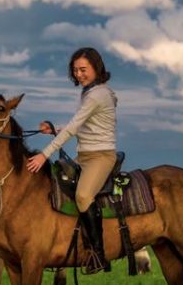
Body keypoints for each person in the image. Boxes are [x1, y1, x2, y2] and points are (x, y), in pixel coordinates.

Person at [26, 47, 117, 273]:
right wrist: (54, 129)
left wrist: (43, 154)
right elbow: (82, 125)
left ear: (97, 68)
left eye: (83, 69)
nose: (79, 74)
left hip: (101, 156)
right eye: (75, 70)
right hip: (84, 155)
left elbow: (75, 127)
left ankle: (98, 254)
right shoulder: (89, 92)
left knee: (84, 195)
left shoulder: (97, 95)